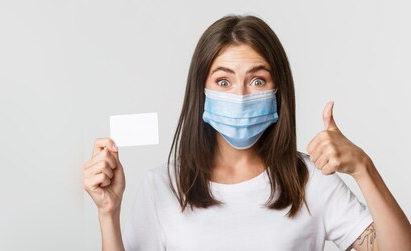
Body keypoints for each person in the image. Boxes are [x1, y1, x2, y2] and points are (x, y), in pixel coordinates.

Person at [83, 14, 411, 251]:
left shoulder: (310, 180)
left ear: (278, 90)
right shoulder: (164, 185)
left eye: (257, 80)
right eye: (223, 81)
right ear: (202, 91)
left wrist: (363, 168)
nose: (240, 96)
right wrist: (108, 214)